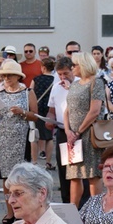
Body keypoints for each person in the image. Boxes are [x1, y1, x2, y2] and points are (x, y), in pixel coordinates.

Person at [0, 60, 39, 224]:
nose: (6, 77)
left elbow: (35, 115)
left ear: (18, 76)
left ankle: (25, 210)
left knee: (23, 176)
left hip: (22, 137)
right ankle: (11, 212)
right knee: (6, 177)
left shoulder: (27, 92)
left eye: (10, 75)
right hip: (4, 139)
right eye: (4, 75)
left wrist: (22, 112)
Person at [65, 52, 105, 206]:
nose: (72, 67)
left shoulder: (96, 82)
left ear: (83, 65)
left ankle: (96, 210)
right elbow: (67, 109)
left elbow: (95, 111)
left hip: (89, 134)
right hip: (73, 136)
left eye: (74, 65)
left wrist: (78, 132)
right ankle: (73, 210)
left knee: (92, 173)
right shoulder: (75, 84)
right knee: (74, 175)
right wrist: (68, 131)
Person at [46, 56, 78, 203]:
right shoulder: (56, 86)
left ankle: (80, 203)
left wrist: (70, 89)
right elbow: (52, 109)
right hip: (61, 131)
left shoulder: (80, 85)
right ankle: (67, 202)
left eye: (66, 73)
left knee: (77, 171)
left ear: (73, 70)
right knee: (64, 170)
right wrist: (48, 119)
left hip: (77, 132)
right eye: (60, 74)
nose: (63, 77)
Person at [31, 57, 56, 170]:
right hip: (49, 111)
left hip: (36, 109)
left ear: (43, 67)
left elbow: (30, 93)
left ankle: (35, 162)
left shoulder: (36, 79)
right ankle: (48, 162)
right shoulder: (55, 80)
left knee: (34, 136)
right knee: (49, 137)